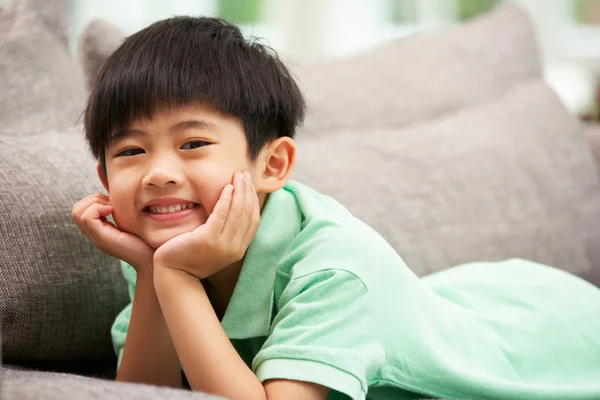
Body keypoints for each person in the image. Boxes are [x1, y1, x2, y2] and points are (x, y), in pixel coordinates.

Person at [72, 15, 600, 400]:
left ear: (272, 166)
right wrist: (155, 272)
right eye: (130, 151)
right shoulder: (164, 248)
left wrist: (177, 276)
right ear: (103, 177)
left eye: (193, 145)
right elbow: (147, 392)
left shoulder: (334, 264)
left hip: (545, 341)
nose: (158, 172)